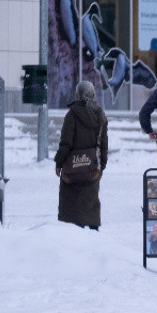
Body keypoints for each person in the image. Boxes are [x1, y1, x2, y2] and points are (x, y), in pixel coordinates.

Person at [54, 80, 109, 229]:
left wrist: (59, 163)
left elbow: (66, 143)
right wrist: (101, 166)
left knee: (71, 207)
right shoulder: (99, 115)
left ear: (77, 95)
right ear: (93, 95)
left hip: (72, 168)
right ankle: (93, 234)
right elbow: (103, 145)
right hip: (92, 167)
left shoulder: (72, 114)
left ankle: (75, 236)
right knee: (90, 204)